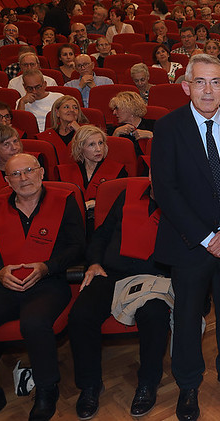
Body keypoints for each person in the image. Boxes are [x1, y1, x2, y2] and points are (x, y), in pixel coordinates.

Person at [151, 54, 220, 420]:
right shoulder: (168, 127)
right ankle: (188, 384)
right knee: (187, 318)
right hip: (189, 244)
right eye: (200, 82)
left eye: (216, 82)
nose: (208, 90)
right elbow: (165, 190)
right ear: (186, 86)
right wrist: (205, 237)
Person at [0, 153, 84, 421]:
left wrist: (48, 267)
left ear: (41, 173)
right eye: (16, 174)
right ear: (7, 180)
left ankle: (47, 389)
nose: (23, 178)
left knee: (34, 322)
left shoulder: (64, 201)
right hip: (4, 286)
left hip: (48, 283)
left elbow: (78, 246)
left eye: (29, 170)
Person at [67, 176, 170, 419]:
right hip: (110, 273)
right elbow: (102, 233)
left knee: (155, 316)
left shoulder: (182, 200)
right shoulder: (127, 193)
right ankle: (90, 385)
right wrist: (94, 262)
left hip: (152, 278)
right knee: (81, 315)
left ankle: (147, 384)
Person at [36, 95, 89, 163]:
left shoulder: (89, 130)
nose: (72, 110)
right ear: (57, 112)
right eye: (66, 107)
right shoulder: (46, 136)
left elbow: (94, 150)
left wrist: (79, 130)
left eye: (75, 108)